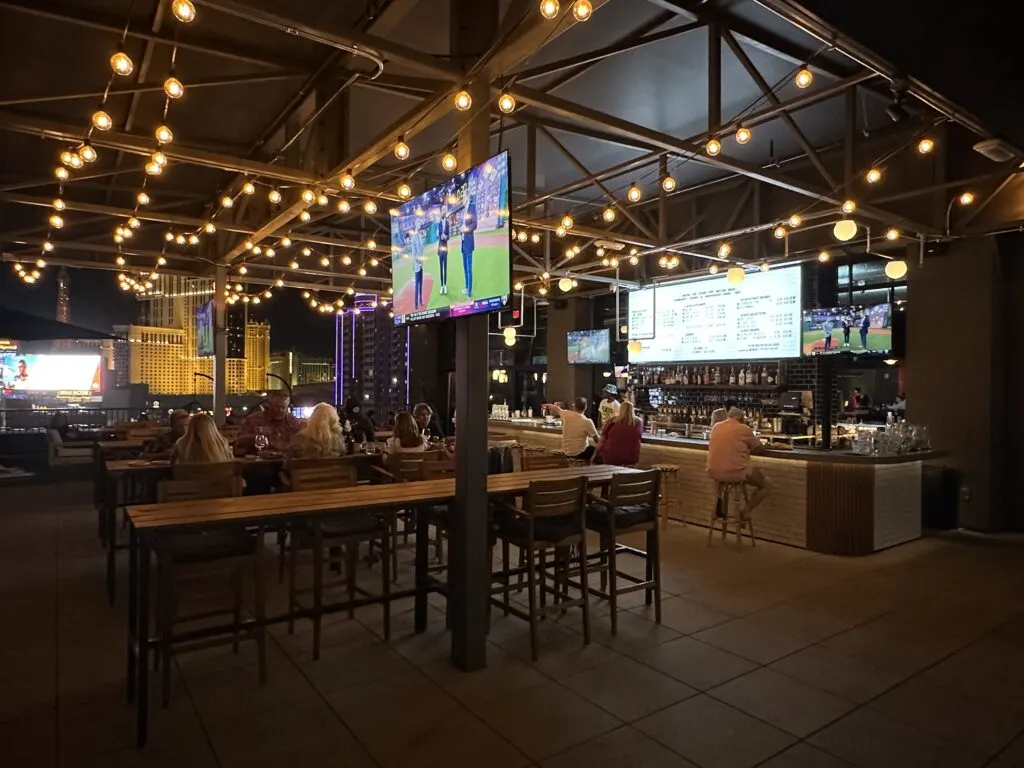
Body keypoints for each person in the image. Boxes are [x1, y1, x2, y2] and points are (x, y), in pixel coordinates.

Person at [707, 407, 772, 517]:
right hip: (736, 473)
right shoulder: (743, 428)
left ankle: (719, 500)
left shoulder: (716, 427)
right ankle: (746, 511)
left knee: (722, 475)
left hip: (714, 473)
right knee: (767, 484)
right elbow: (759, 448)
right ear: (741, 418)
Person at [543, 397, 599, 461]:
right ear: (586, 407)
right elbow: (597, 440)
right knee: (594, 449)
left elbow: (556, 408)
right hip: (580, 454)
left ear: (574, 406)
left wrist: (546, 405)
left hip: (567, 453)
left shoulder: (566, 414)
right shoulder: (587, 421)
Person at [594, 400, 643, 466]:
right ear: (632, 410)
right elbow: (638, 437)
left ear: (620, 409)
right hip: (631, 457)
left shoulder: (612, 421)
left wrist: (595, 454)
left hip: (610, 456)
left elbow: (602, 441)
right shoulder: (639, 422)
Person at [461, 194, 477, 297]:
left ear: (467, 198)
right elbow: (464, 224)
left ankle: (469, 293)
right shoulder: (464, 210)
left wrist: (466, 229)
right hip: (463, 243)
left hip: (468, 243)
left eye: (463, 197)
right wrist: (461, 228)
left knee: (469, 268)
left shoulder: (472, 207)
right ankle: (467, 288)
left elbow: (475, 224)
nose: (462, 199)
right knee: (465, 268)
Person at [405, 225, 426, 310]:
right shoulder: (413, 238)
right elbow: (414, 254)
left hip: (421, 264)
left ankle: (421, 301)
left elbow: (422, 247)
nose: (419, 228)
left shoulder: (420, 236)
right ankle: (416, 305)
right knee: (417, 285)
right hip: (417, 264)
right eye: (417, 227)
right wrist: (419, 261)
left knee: (421, 283)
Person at [437, 207, 452, 296]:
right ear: (441, 212)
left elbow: (449, 235)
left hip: (445, 248)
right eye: (442, 211)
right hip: (440, 249)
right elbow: (438, 234)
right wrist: (440, 236)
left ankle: (445, 285)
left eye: (444, 211)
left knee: (445, 268)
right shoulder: (438, 223)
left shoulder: (447, 223)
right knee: (440, 268)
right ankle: (441, 286)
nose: (443, 212)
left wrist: (445, 237)